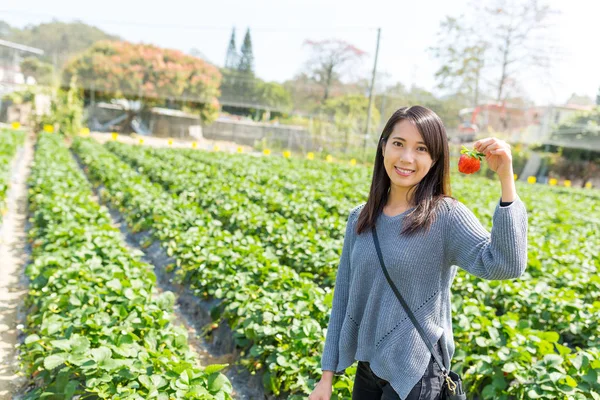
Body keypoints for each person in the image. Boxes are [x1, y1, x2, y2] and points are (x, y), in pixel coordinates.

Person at [309, 106, 528, 400]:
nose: (407, 158)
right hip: (368, 367)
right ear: (383, 146)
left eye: (421, 148)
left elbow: (505, 265)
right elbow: (343, 297)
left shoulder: (446, 216)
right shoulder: (360, 218)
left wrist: (506, 180)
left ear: (435, 159)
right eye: (398, 143)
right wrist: (327, 377)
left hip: (416, 372)